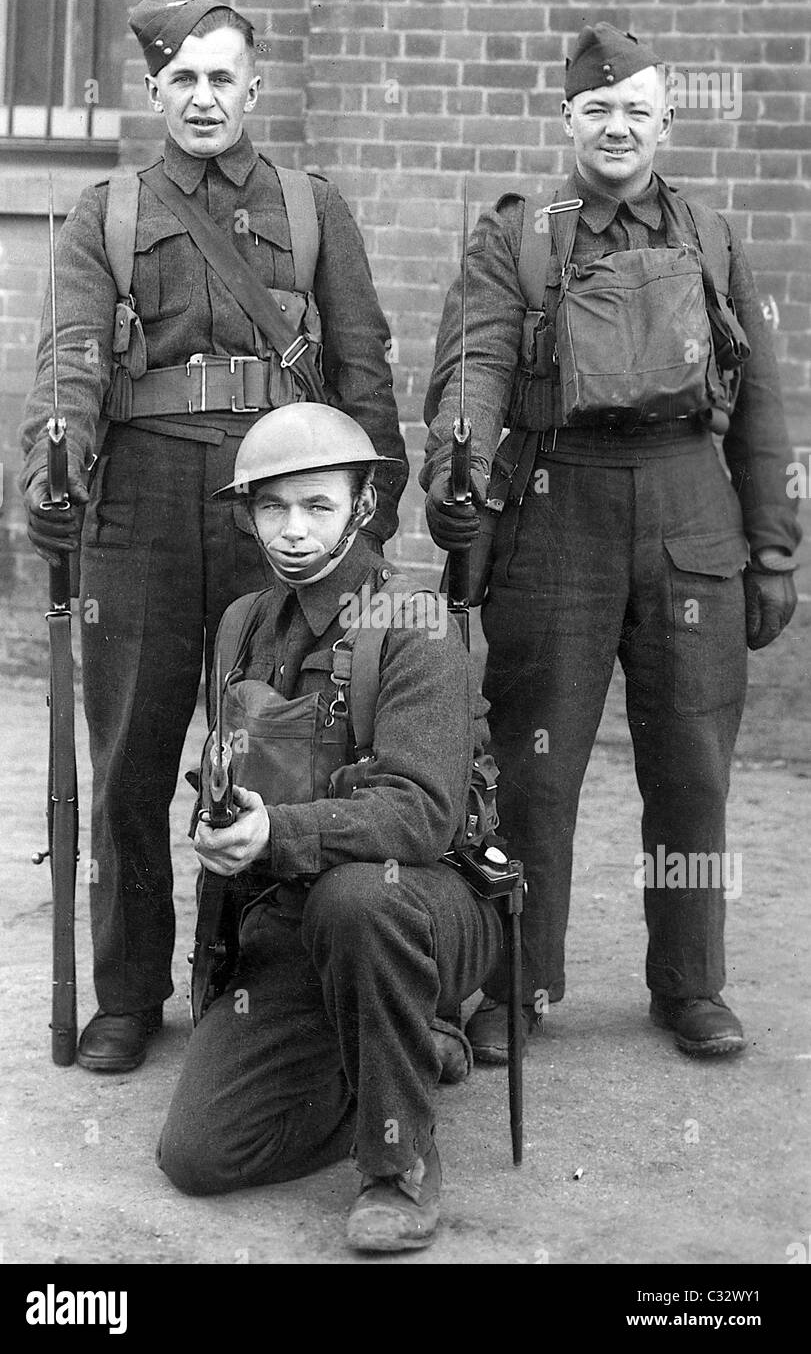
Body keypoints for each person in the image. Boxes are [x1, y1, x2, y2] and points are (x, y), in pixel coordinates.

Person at [18, 0, 407, 1072]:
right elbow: (71, 361)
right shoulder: (109, 214)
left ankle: (252, 986)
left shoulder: (313, 205)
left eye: (221, 78)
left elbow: (363, 367)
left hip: (273, 509)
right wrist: (58, 470)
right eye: (181, 80)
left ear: (253, 88)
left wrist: (371, 505)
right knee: (133, 758)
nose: (202, 98)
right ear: (153, 94)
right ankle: (130, 996)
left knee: (276, 748)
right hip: (142, 510)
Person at [422, 23, 800, 1062]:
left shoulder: (714, 238)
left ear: (665, 121)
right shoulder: (519, 240)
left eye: (636, 108)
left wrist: (772, 547)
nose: (617, 127)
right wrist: (456, 468)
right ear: (566, 121)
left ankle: (690, 984)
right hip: (557, 517)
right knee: (535, 771)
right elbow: (475, 368)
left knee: (691, 769)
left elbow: (762, 403)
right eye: (596, 109)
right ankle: (517, 983)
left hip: (690, 515)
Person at [156, 404, 502, 1252]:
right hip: (289, 917)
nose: (294, 530)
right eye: (272, 508)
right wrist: (222, 819)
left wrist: (278, 830)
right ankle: (396, 1045)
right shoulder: (240, 624)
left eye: (317, 506)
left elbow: (420, 812)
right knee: (199, 1156)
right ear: (247, 514)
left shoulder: (418, 625)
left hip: (421, 906)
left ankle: (398, 1166)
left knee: (359, 900)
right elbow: (230, 762)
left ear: (363, 505)